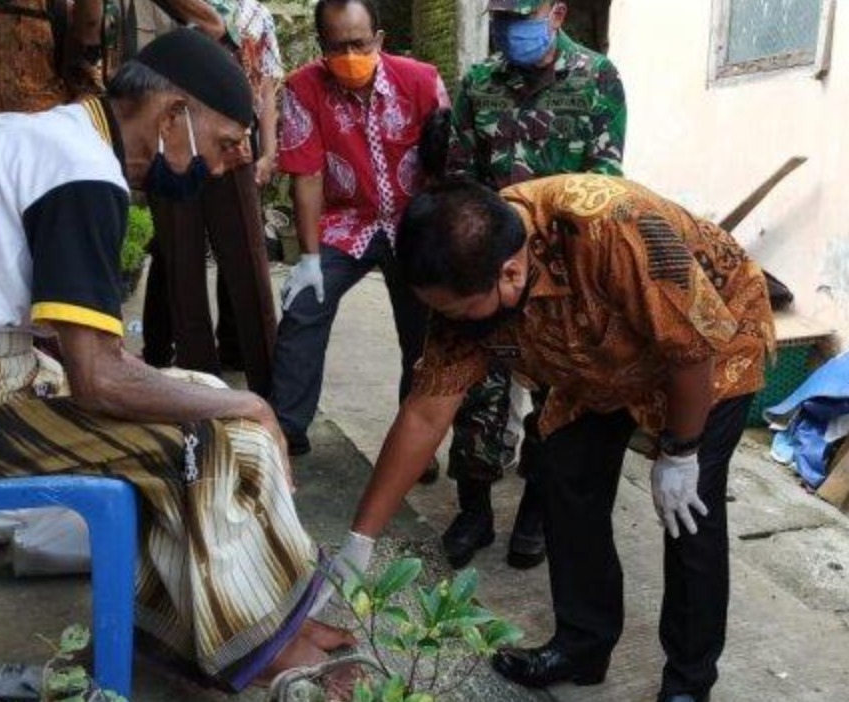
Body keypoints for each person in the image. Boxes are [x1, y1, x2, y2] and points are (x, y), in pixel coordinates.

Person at [0, 28, 354, 691]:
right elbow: (97, 380)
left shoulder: (45, 138)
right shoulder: (81, 170)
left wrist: (179, 384)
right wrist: (248, 401)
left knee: (199, 391)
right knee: (213, 440)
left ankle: (223, 627)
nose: (232, 163)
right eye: (228, 142)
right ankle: (257, 647)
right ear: (173, 115)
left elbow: (69, 339)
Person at [327, 174, 775, 702]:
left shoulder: (613, 225)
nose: (448, 323)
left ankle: (688, 682)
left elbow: (691, 349)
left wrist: (680, 453)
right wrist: (361, 540)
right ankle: (583, 646)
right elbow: (426, 414)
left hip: (710, 349)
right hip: (594, 356)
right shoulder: (468, 273)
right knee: (565, 475)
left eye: (455, 311)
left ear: (511, 272)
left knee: (687, 513)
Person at [441, 0, 627, 571]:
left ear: (557, 12)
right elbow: (459, 179)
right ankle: (474, 508)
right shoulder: (478, 83)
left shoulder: (598, 78)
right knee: (478, 393)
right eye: (501, 17)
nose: (509, 29)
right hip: (491, 271)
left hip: (561, 271)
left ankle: (537, 508)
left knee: (556, 397)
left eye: (522, 16)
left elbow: (606, 178)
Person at [270, 0, 449, 473]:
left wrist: (438, 237)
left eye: (359, 43)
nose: (349, 54)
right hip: (345, 222)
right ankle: (284, 431)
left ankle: (417, 442)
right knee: (302, 308)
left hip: (413, 220)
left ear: (380, 40)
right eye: (336, 46)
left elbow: (443, 163)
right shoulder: (302, 88)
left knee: (423, 331)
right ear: (321, 46)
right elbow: (305, 175)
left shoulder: (422, 81)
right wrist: (308, 258)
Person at [140, 0, 281, 401]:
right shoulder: (155, 11)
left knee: (249, 264)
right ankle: (199, 390)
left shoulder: (255, 13)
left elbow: (266, 86)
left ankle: (271, 393)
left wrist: (269, 150)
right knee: (182, 269)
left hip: (232, 146)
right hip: (169, 147)